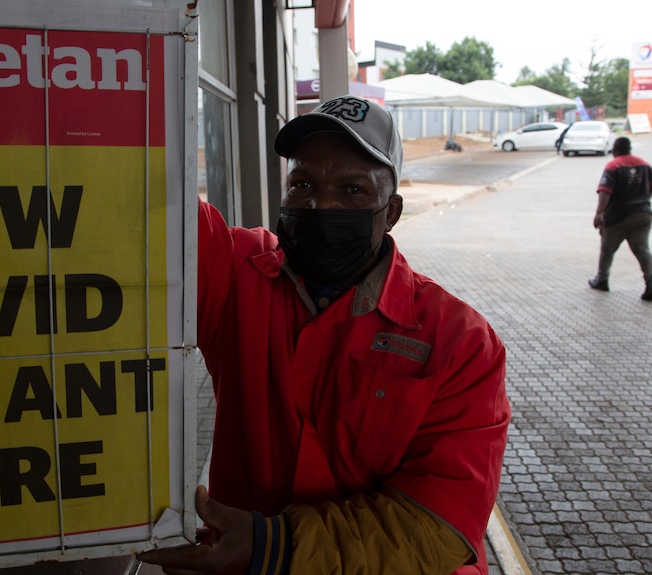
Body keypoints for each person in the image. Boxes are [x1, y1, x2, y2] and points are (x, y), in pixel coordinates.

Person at [137, 95, 511, 574]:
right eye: (304, 183)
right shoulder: (237, 273)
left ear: (391, 211)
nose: (321, 204)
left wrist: (275, 546)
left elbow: (436, 527)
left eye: (353, 190)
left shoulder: (460, 342)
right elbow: (158, 212)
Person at [587, 136, 652, 301]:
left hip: (618, 216)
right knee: (642, 249)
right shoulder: (644, 164)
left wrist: (599, 213)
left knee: (607, 249)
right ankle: (651, 282)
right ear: (629, 149)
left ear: (615, 150)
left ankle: (602, 279)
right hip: (642, 214)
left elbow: (604, 190)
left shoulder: (613, 166)